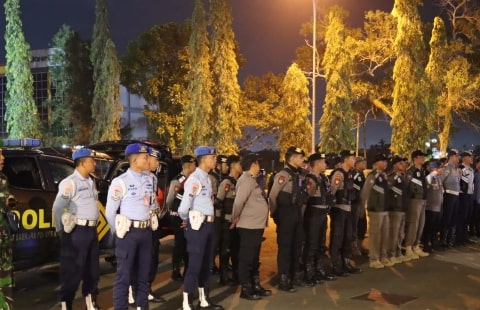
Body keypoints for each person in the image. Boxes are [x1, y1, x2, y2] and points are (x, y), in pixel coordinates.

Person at [106, 143, 158, 310]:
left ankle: (142, 306)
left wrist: (153, 214)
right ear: (135, 160)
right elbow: (110, 212)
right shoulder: (120, 182)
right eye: (145, 157)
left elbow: (151, 203)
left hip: (145, 232)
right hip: (128, 233)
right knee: (124, 276)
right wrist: (118, 231)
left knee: (143, 276)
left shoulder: (150, 179)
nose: (148, 159)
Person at [52, 148, 101, 310]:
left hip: (91, 231)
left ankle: (90, 302)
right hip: (76, 231)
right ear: (82, 162)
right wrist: (61, 232)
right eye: (91, 160)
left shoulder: (91, 181)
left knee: (92, 270)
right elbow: (58, 208)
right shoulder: (70, 182)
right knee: (72, 270)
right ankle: (67, 304)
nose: (94, 163)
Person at [178, 146, 223, 310]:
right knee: (195, 264)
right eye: (213, 157)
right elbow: (183, 208)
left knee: (207, 264)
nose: (215, 160)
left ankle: (204, 300)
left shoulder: (207, 178)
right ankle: (186, 302)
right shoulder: (195, 179)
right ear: (203, 159)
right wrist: (187, 220)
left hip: (209, 225)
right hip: (198, 226)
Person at [128, 147, 165, 305]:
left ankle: (147, 288)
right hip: (138, 223)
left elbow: (152, 200)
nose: (157, 163)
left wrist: (156, 214)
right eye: (155, 160)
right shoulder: (137, 177)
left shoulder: (153, 178)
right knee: (135, 259)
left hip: (152, 222)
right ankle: (131, 290)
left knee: (152, 257)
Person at [269, 147, 309, 292]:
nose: (302, 160)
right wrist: (275, 215)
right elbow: (272, 196)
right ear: (292, 158)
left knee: (297, 246)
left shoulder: (298, 174)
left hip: (296, 213)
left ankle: (293, 276)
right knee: (285, 248)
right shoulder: (283, 175)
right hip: (285, 214)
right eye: (300, 157)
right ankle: (284, 279)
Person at [231, 153, 271, 300]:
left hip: (255, 225)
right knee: (247, 258)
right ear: (253, 164)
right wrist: (235, 217)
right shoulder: (246, 180)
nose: (259, 167)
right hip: (248, 226)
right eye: (258, 164)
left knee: (254, 258)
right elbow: (238, 202)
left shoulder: (252, 180)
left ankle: (255, 285)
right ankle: (246, 289)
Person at [302, 153, 336, 285]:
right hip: (313, 215)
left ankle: (319, 270)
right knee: (311, 244)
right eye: (323, 162)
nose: (325, 164)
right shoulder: (310, 180)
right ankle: (309, 273)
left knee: (321, 244)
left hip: (322, 214)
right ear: (316, 164)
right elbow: (305, 200)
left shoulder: (324, 178)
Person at [329, 150, 362, 276]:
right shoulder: (339, 174)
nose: (354, 161)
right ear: (346, 159)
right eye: (353, 158)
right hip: (339, 210)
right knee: (338, 237)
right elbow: (332, 191)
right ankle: (336, 265)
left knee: (347, 237)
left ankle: (346, 263)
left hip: (348, 209)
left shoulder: (350, 173)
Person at [165, 155, 196, 281]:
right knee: (180, 243)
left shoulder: (193, 179)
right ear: (188, 166)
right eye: (193, 165)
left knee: (188, 244)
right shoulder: (177, 181)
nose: (195, 167)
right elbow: (169, 200)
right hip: (178, 216)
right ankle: (176, 270)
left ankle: (188, 270)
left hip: (190, 216)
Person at [361, 153, 392, 269]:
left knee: (385, 234)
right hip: (375, 209)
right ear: (376, 163)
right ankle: (374, 258)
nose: (385, 163)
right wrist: (362, 209)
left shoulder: (384, 175)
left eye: (386, 161)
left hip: (384, 209)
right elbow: (365, 193)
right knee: (375, 235)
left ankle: (383, 256)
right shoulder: (372, 176)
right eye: (383, 161)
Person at [215, 155, 242, 285]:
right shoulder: (226, 183)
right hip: (226, 223)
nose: (241, 166)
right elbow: (218, 203)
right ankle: (224, 277)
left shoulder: (241, 182)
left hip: (239, 223)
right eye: (239, 164)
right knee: (225, 251)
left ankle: (237, 276)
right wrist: (220, 224)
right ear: (233, 166)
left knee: (237, 251)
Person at [404, 150, 430, 260]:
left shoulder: (421, 171)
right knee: (413, 224)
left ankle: (416, 246)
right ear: (415, 158)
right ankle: (408, 247)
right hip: (414, 200)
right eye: (421, 157)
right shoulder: (411, 171)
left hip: (422, 200)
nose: (423, 159)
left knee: (421, 224)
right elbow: (406, 185)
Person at [386, 156, 409, 263]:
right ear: (394, 165)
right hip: (395, 208)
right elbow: (390, 191)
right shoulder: (392, 177)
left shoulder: (402, 176)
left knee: (400, 233)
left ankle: (398, 252)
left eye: (403, 163)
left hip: (402, 207)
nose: (403, 165)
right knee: (394, 233)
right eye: (400, 163)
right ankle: (391, 254)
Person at [422, 160, 444, 253]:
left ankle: (434, 243)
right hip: (430, 207)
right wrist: (434, 172)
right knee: (428, 227)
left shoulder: (438, 178)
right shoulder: (429, 177)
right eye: (437, 168)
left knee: (435, 227)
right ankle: (426, 244)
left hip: (438, 207)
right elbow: (427, 179)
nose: (440, 169)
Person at [440, 150, 461, 248]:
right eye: (456, 156)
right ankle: (443, 239)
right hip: (449, 195)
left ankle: (450, 239)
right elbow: (440, 181)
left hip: (456, 196)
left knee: (454, 218)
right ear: (451, 157)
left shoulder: (456, 169)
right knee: (447, 217)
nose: (458, 158)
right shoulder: (446, 168)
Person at [457, 151, 475, 245]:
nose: (472, 159)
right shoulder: (461, 168)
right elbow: (458, 181)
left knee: (467, 216)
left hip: (470, 195)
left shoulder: (471, 169)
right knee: (462, 216)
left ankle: (465, 236)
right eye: (470, 157)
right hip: (463, 195)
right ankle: (459, 238)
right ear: (464, 158)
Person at [351, 156, 367, 256]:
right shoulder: (355, 174)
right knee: (355, 225)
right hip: (355, 203)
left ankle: (360, 245)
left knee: (362, 225)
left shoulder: (362, 174)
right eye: (362, 162)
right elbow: (353, 187)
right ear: (356, 164)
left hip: (361, 203)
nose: (364, 163)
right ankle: (353, 247)